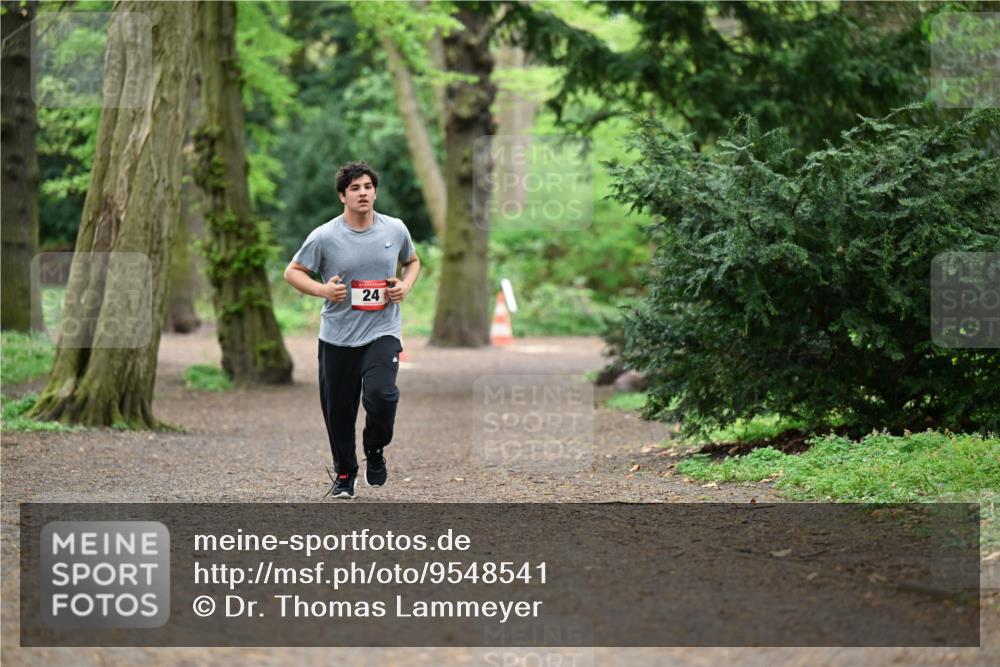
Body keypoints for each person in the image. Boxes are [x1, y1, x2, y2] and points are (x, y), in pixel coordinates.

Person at [283, 162, 420, 499]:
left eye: (368, 187)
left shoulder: (395, 229)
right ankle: (345, 473)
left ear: (375, 192)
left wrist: (405, 285)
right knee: (339, 411)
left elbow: (412, 261)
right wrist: (323, 291)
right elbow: (293, 271)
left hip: (382, 330)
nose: (363, 193)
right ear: (343, 196)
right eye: (355, 188)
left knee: (382, 396)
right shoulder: (325, 236)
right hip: (338, 337)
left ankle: (374, 449)